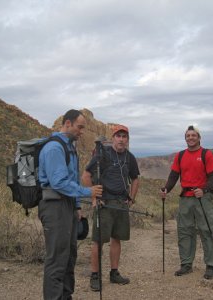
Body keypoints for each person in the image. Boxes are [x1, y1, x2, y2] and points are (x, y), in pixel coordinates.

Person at [38, 109, 103, 300]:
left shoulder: (70, 148)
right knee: (57, 259)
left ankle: (66, 296)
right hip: (54, 207)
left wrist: (76, 207)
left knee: (68, 256)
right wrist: (87, 192)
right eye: (79, 127)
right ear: (67, 123)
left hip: (67, 206)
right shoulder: (54, 148)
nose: (81, 131)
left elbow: (72, 179)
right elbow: (58, 183)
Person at [81, 124, 140, 291]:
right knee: (98, 241)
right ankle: (95, 276)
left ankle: (114, 273)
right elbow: (86, 175)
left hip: (121, 203)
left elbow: (135, 179)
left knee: (117, 238)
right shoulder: (102, 154)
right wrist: (94, 197)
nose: (121, 139)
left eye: (124, 136)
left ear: (127, 139)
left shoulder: (130, 157)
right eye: (118, 136)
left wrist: (131, 198)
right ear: (113, 138)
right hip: (104, 203)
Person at [160, 125, 213, 280]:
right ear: (185, 138)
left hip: (202, 197)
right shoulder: (180, 156)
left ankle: (211, 265)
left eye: (194, 135)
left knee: (206, 230)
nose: (191, 138)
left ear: (199, 138)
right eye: (188, 136)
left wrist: (204, 190)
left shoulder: (207, 154)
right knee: (185, 231)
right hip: (185, 197)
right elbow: (173, 176)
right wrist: (166, 189)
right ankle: (186, 264)